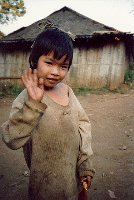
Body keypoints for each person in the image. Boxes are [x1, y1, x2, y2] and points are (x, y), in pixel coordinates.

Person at [1, 26, 95, 200]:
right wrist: (33, 104)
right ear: (34, 61)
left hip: (72, 182)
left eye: (63, 66)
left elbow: (83, 126)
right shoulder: (26, 98)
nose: (55, 72)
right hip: (43, 187)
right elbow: (11, 139)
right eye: (49, 63)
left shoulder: (68, 92)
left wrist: (85, 164)